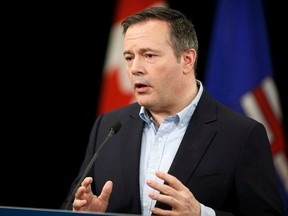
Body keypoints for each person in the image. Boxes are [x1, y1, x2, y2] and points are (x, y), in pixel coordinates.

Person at [61, 6, 285, 216]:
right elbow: (69, 204)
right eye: (129, 57)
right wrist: (82, 213)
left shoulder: (242, 135)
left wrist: (201, 213)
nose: (134, 68)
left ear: (187, 60)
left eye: (149, 55)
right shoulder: (108, 127)